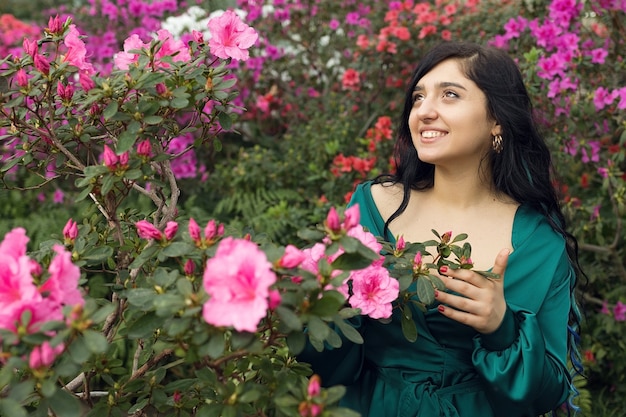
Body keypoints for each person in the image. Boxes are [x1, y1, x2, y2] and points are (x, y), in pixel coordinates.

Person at [297, 41, 583, 417]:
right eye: (418, 97)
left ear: (497, 119)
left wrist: (501, 327)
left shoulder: (537, 242)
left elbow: (548, 392)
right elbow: (322, 355)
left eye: (450, 95)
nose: (424, 111)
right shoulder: (373, 206)